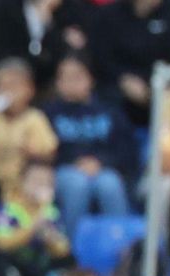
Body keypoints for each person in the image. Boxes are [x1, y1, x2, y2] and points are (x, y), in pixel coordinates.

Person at [43, 54, 135, 234]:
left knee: (110, 184)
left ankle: (121, 250)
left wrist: (100, 162)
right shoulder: (48, 113)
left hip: (104, 168)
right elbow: (45, 150)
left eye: (77, 76)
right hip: (63, 170)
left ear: (90, 79)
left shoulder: (110, 111)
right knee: (77, 184)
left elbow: (127, 150)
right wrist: (75, 163)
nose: (71, 83)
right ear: (57, 82)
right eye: (65, 78)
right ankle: (72, 252)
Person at [96, 0, 170, 127]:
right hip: (117, 88)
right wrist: (122, 79)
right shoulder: (109, 15)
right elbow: (101, 58)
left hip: (163, 89)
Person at [0, 59, 58, 200]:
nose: (9, 92)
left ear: (30, 90)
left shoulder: (35, 118)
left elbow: (49, 152)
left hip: (23, 182)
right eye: (4, 87)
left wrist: (30, 151)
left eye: (14, 86)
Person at [0, 162, 73, 276]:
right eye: (37, 181)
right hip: (15, 263)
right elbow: (0, 244)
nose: (42, 186)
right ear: (22, 182)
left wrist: (50, 238)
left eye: (48, 183)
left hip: (41, 265)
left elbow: (63, 250)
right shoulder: (8, 210)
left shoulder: (51, 211)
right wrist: (33, 227)